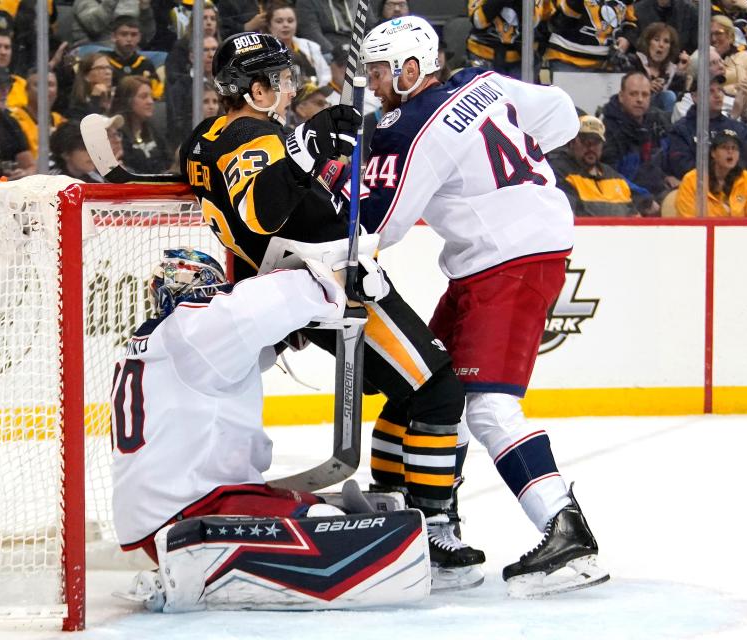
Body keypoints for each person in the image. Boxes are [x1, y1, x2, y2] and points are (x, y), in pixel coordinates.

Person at [179, 32, 485, 585]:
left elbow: (239, 214)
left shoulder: (204, 138)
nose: (290, 86)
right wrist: (306, 149)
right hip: (332, 281)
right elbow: (260, 214)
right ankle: (437, 528)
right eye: (280, 79)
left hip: (297, 285)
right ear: (256, 90)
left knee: (407, 389)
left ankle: (395, 500)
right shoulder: (254, 134)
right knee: (438, 390)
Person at [357, 15, 609, 596]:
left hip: (510, 260)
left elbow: (381, 227)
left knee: (489, 407)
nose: (372, 83)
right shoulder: (482, 82)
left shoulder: (408, 126)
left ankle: (566, 533)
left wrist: (341, 177)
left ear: (410, 69)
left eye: (378, 71)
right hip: (503, 255)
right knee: (424, 387)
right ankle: (427, 528)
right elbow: (563, 116)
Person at [111, 249, 431, 612]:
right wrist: (331, 275)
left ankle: (198, 562)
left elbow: (242, 353)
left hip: (162, 512)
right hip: (194, 509)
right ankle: (197, 568)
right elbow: (258, 303)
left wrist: (283, 336)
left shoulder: (158, 342)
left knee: (317, 509)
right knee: (324, 523)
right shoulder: (195, 327)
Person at [551, 115, 659, 217]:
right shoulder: (558, 173)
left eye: (596, 142)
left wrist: (645, 203)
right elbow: (572, 213)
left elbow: (633, 208)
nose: (591, 148)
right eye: (586, 141)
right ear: (572, 143)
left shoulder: (612, 175)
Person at [667, 73, 747, 183]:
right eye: (710, 91)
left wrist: (742, 185)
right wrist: (719, 183)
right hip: (700, 192)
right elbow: (683, 169)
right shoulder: (681, 130)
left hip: (740, 190)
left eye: (720, 90)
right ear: (695, 97)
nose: (717, 95)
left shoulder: (739, 129)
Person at [600, 71, 674, 199]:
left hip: (658, 192)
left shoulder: (658, 122)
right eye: (633, 94)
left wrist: (667, 177)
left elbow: (669, 160)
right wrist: (643, 198)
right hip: (623, 197)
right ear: (621, 96)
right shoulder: (607, 129)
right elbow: (609, 175)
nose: (640, 99)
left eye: (645, 95)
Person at [676, 128, 747, 217]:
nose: (730, 152)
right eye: (724, 147)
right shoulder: (692, 180)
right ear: (713, 153)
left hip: (739, 231)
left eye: (734, 148)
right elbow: (687, 221)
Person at [466, 0, 555, 78]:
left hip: (522, 57)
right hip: (482, 54)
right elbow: (477, 21)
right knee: (484, 95)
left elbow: (533, 22)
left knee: (520, 96)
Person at [542, 0, 637, 71]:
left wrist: (626, 38)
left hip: (605, 62)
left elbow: (630, 21)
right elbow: (567, 12)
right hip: (565, 57)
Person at [111, 76, 172, 173]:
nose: (150, 102)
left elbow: (169, 161)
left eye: (151, 96)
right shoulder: (116, 133)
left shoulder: (153, 128)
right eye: (144, 97)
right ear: (128, 100)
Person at [711, 15, 747, 113]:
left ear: (730, 36)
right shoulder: (699, 60)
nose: (713, 39)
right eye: (709, 34)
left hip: (744, 109)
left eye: (718, 33)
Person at [265, 0, 330, 88]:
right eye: (279, 21)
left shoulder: (310, 46)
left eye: (290, 21)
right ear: (269, 26)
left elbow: (325, 77)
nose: (286, 25)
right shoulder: (262, 50)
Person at [626, 22, 687, 112]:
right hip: (636, 111)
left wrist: (680, 74)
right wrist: (646, 88)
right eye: (656, 40)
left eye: (666, 41)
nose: (661, 45)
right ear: (648, 43)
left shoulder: (672, 70)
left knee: (669, 96)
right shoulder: (634, 62)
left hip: (661, 117)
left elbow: (679, 101)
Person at [11, 68, 66, 159]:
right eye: (38, 85)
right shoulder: (14, 119)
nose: (44, 90)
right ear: (26, 90)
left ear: (57, 91)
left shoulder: (61, 122)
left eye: (50, 85)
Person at [107, 16, 163, 100]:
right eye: (124, 34)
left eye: (134, 35)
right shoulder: (104, 61)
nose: (129, 39)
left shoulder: (145, 64)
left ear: (139, 37)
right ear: (113, 37)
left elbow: (157, 95)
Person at [72, 0, 156, 49]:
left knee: (161, 58)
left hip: (128, 51)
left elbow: (145, 38)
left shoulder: (133, 3)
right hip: (93, 49)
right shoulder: (83, 1)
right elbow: (94, 26)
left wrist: (145, 10)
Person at [632, 0, 698, 55]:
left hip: (679, 64)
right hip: (642, 66)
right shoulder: (636, 10)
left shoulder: (689, 11)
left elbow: (696, 48)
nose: (661, 45)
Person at [66, 52, 115, 120]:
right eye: (100, 68)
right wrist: (95, 97)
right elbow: (90, 125)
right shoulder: (78, 106)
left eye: (109, 68)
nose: (108, 72)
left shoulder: (117, 97)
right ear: (86, 76)